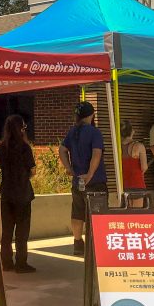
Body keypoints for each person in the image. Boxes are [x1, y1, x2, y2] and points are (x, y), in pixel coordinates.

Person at [59, 101, 106, 256]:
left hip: (77, 181)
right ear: (92, 115)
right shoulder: (94, 132)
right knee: (96, 213)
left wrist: (69, 169)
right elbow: (96, 154)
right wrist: (90, 174)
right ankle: (96, 245)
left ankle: (78, 243)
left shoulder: (72, 132)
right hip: (95, 181)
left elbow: (62, 149)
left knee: (77, 213)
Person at [0, 114, 36, 272]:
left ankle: (6, 262)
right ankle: (21, 263)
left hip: (7, 193)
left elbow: (0, 166)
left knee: (7, 231)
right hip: (23, 193)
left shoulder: (2, 147)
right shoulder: (25, 148)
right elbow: (32, 170)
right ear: (21, 129)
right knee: (22, 231)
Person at [121, 120, 149, 208]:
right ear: (132, 131)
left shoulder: (117, 147)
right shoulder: (139, 146)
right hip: (137, 183)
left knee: (127, 214)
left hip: (123, 184)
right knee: (137, 214)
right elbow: (144, 167)